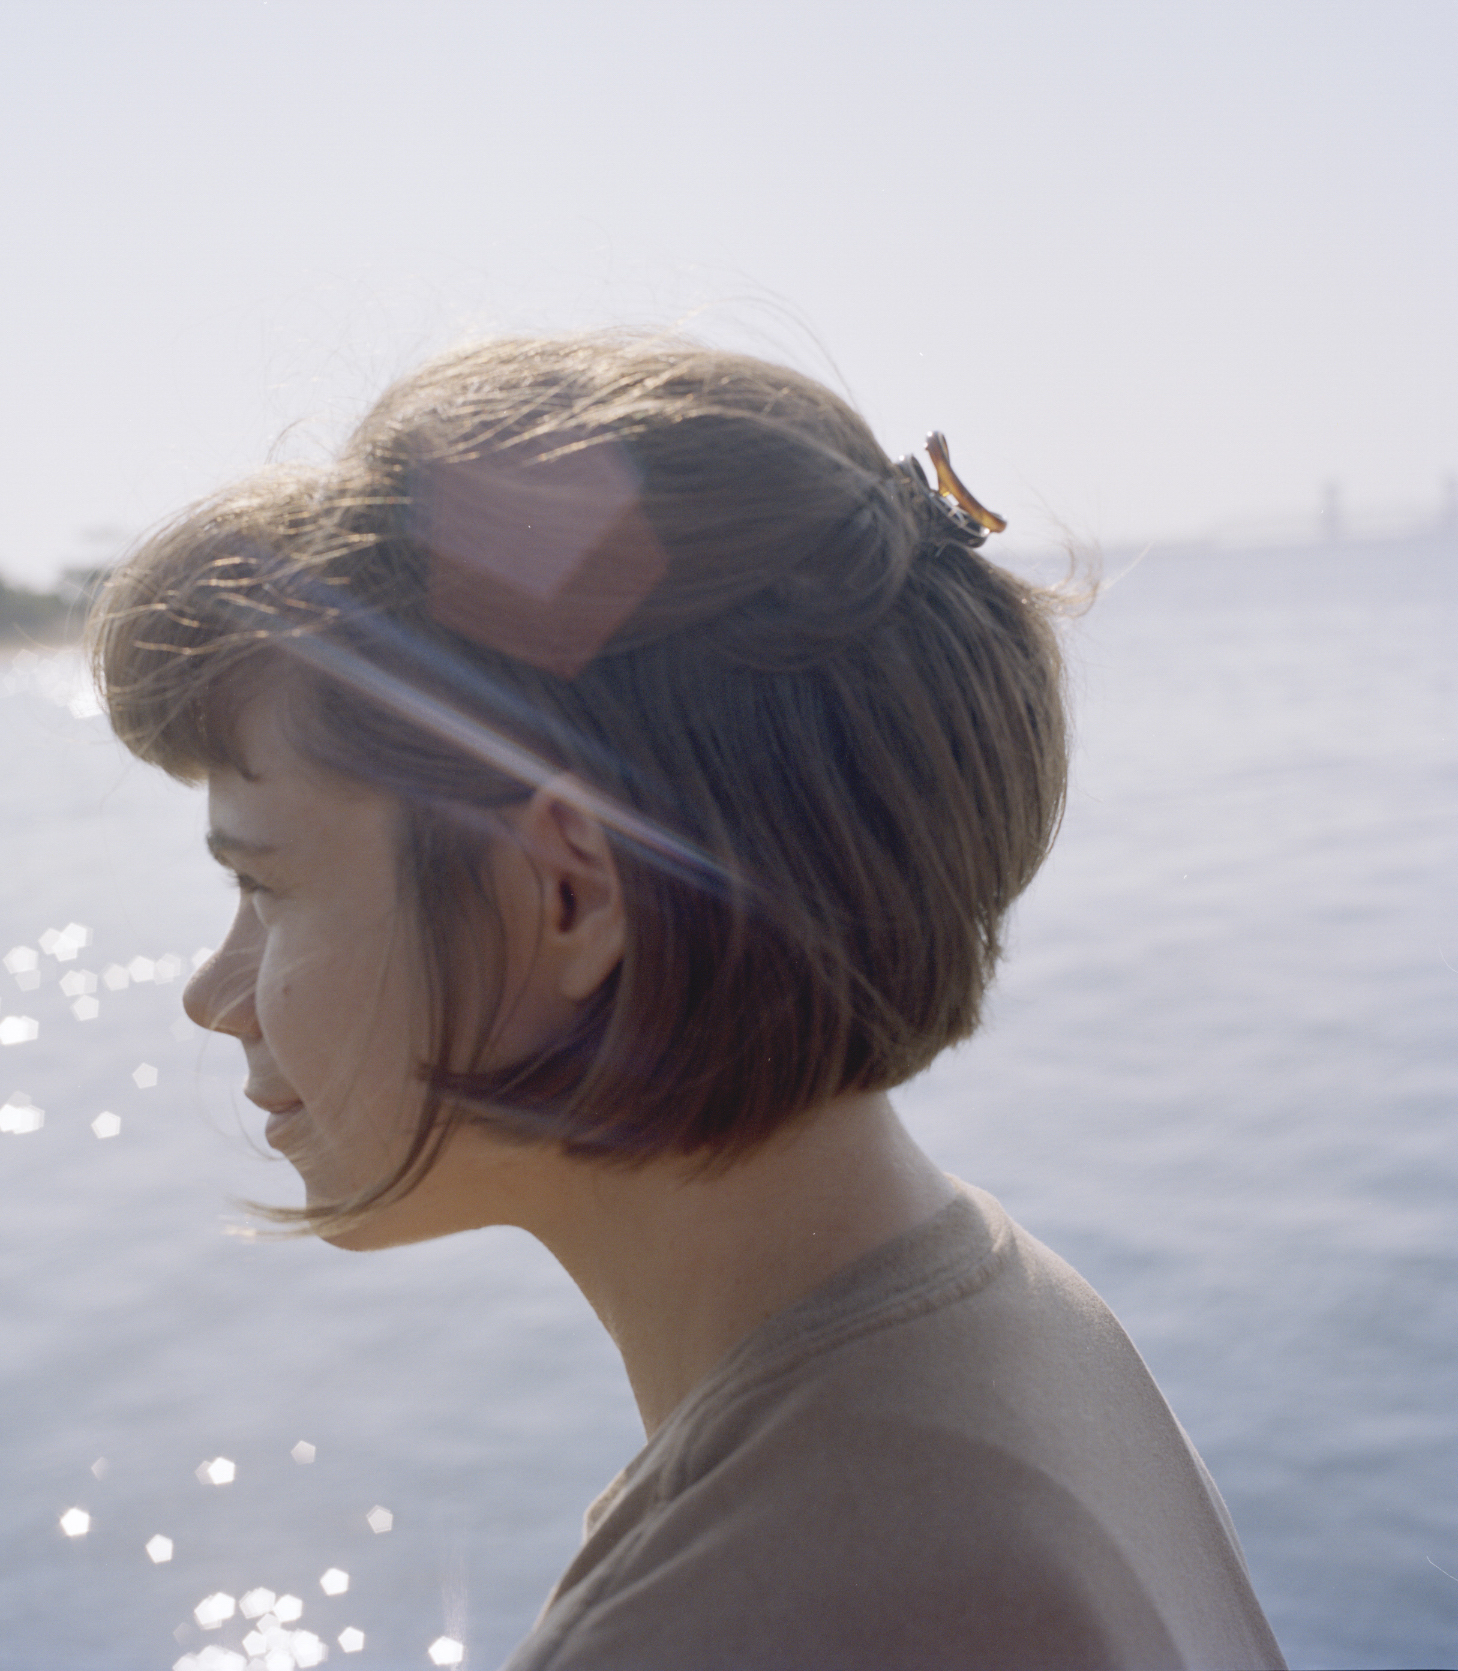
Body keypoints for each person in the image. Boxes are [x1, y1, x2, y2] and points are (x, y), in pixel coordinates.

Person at [92, 333, 1285, 1670]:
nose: (215, 995)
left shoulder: (766, 1606)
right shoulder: (1005, 1327)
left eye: (266, 887)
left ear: (570, 896)